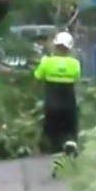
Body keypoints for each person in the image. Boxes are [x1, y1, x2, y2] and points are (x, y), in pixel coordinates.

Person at [34, 32, 82, 176]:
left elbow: (37, 77)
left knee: (54, 137)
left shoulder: (46, 62)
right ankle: (70, 148)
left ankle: (57, 167)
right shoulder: (74, 64)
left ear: (55, 46)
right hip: (69, 104)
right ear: (69, 48)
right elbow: (77, 78)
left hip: (52, 105)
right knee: (70, 132)